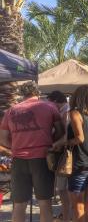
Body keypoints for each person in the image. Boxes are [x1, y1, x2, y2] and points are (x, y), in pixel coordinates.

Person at [0, 81, 64, 222]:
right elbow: (60, 131)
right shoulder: (50, 107)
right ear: (37, 92)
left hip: (18, 160)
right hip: (42, 159)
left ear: (22, 94)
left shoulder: (11, 111)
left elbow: (3, 139)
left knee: (19, 205)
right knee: (45, 204)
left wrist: (16, 146)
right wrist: (50, 141)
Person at [54, 85, 88, 222]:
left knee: (78, 203)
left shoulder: (75, 113)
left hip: (80, 163)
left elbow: (80, 138)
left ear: (76, 97)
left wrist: (64, 143)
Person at [47, 90, 70, 222]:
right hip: (62, 154)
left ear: (55, 101)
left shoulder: (66, 113)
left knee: (63, 189)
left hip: (64, 155)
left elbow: (65, 136)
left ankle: (65, 217)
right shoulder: (63, 111)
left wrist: (55, 144)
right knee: (62, 189)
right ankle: (64, 214)